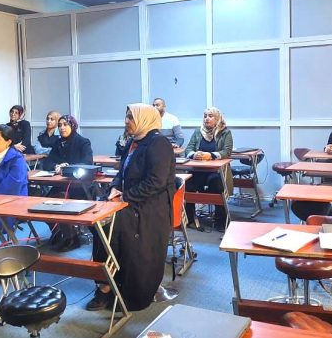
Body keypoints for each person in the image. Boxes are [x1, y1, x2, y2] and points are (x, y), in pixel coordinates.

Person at [86, 103, 175, 312]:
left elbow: (156, 182)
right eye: (126, 117)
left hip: (149, 207)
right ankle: (105, 283)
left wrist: (125, 197)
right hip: (129, 201)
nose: (126, 121)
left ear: (144, 119)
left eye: (130, 117)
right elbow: (121, 173)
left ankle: (120, 289)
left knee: (110, 226)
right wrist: (114, 189)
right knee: (97, 222)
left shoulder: (159, 143)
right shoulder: (133, 142)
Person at [40, 114, 93, 251]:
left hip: (79, 187)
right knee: (43, 204)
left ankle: (72, 238)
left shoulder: (83, 142)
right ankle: (59, 232)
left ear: (73, 126)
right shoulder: (58, 143)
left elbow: (87, 163)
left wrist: (68, 167)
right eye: (60, 125)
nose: (62, 128)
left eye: (65, 124)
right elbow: (47, 163)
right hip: (60, 185)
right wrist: (56, 166)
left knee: (60, 202)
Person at [184, 107, 233, 231]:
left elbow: (227, 151)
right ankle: (191, 219)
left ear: (217, 118)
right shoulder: (198, 132)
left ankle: (220, 220)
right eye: (205, 116)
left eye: (210, 116)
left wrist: (210, 155)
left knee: (216, 183)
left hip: (216, 171)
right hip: (198, 171)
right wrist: (194, 155)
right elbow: (188, 149)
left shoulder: (225, 132)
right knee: (187, 183)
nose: (207, 118)